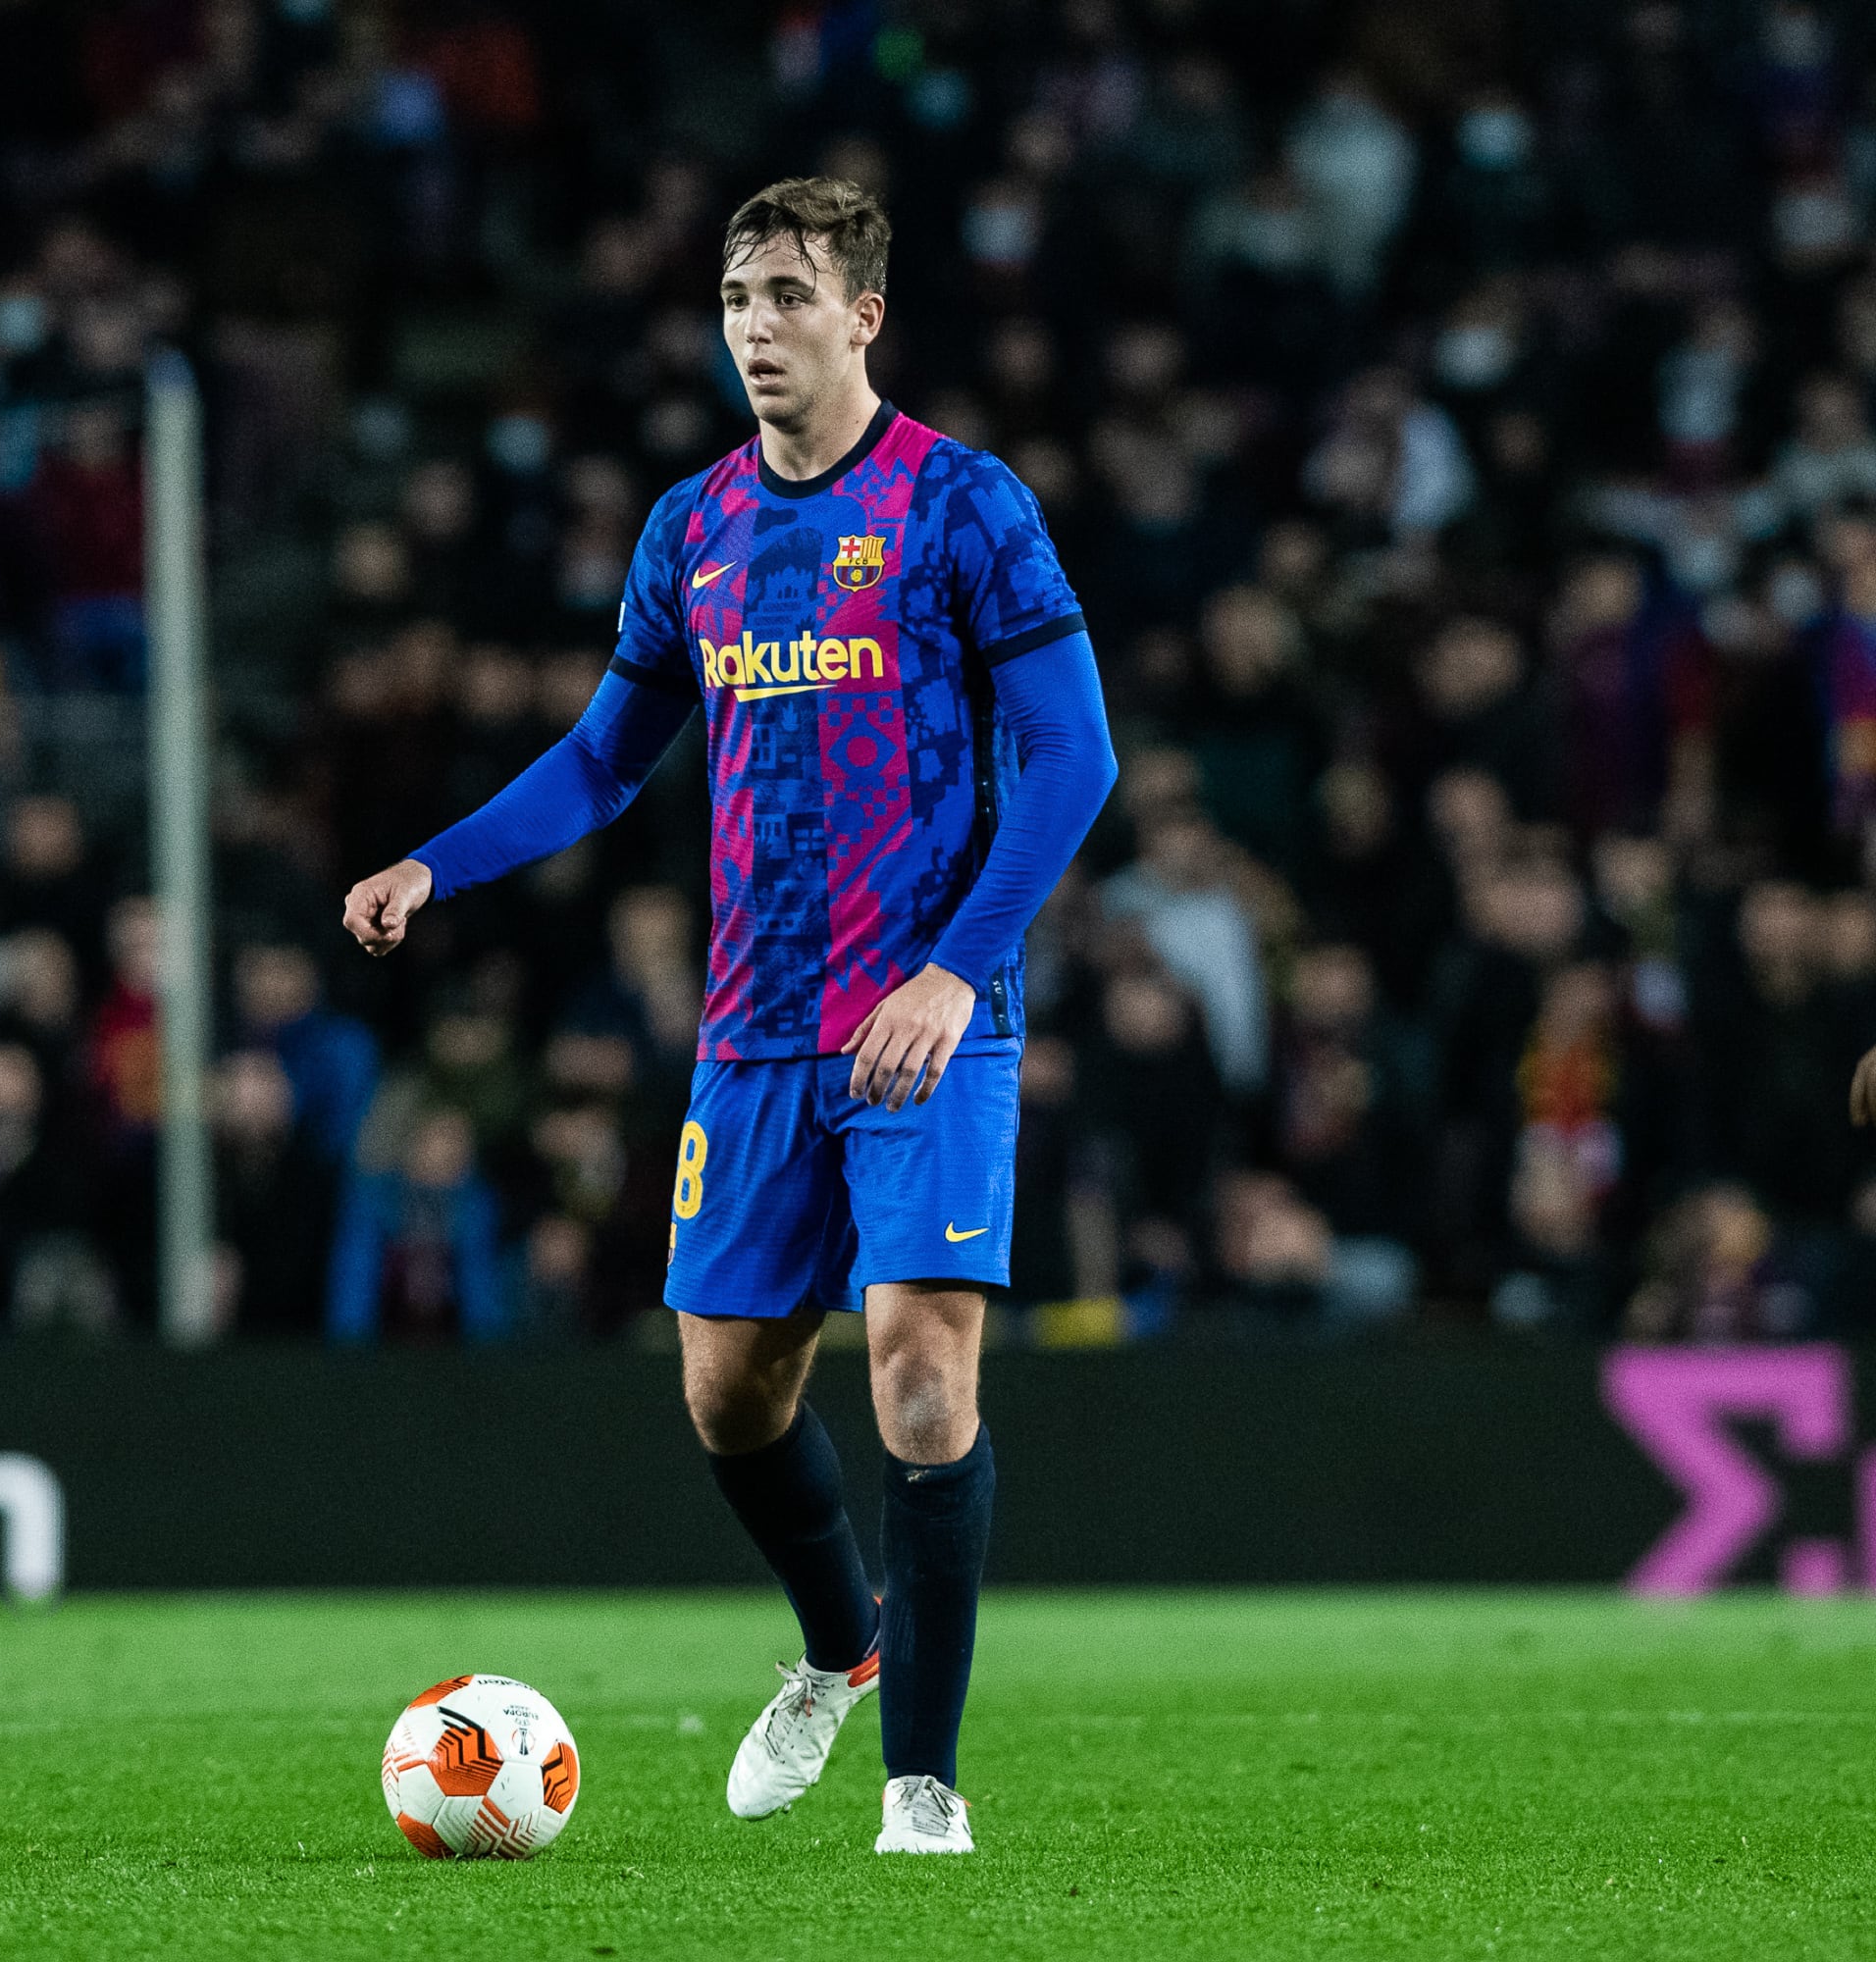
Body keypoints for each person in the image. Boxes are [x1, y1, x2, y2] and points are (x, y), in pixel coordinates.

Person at [340, 178, 1117, 1856]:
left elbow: (1075, 757)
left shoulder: (964, 506)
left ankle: (926, 1783)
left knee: (920, 1375)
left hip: (927, 1018)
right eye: (735, 298)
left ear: (864, 316)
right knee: (730, 1402)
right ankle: (841, 1651)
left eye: (784, 294)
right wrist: (439, 862)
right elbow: (605, 760)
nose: (754, 327)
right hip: (754, 1033)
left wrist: (954, 966)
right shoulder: (690, 528)